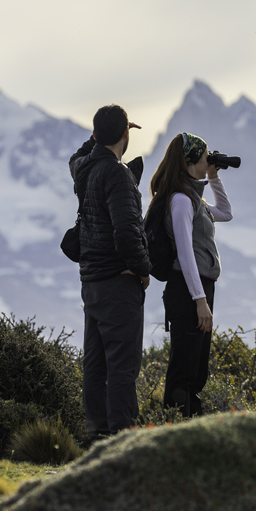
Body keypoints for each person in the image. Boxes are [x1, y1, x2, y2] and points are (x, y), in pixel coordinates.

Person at [68, 104, 150, 438]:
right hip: (118, 283)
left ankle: (96, 435)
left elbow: (76, 156)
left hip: (91, 282)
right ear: (126, 134)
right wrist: (143, 270)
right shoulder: (117, 173)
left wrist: (95, 138)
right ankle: (121, 438)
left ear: (96, 133)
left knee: (96, 364)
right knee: (121, 366)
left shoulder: (83, 169)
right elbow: (127, 232)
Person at [148, 132, 233, 417]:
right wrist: (199, 300)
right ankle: (174, 429)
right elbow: (185, 253)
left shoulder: (194, 199)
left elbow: (225, 212)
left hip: (200, 288)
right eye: (205, 156)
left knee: (197, 368)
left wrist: (214, 176)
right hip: (187, 291)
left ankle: (189, 428)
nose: (208, 159)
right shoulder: (182, 201)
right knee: (184, 367)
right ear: (190, 160)